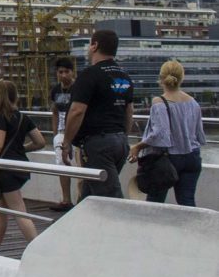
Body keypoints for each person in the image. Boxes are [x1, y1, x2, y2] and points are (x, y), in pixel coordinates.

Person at [62, 29, 133, 199]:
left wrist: (66, 142)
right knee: (89, 197)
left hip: (98, 144)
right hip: (120, 141)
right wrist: (123, 136)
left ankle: (123, 226)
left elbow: (77, 111)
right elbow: (129, 111)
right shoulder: (124, 75)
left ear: (95, 46)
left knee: (111, 198)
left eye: (89, 44)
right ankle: (80, 224)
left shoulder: (89, 75)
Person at [0, 80, 46, 255]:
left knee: (19, 211)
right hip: (19, 166)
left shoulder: (0, 117)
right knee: (0, 210)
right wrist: (22, 149)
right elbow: (40, 142)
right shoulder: (22, 117)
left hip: (6, 169)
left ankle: (38, 251)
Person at [127, 60, 205, 206]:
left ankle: (155, 229)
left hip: (167, 159)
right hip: (192, 157)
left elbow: (159, 134)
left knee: (155, 202)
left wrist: (138, 146)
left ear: (161, 78)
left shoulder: (159, 102)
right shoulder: (193, 103)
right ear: (182, 77)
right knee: (187, 202)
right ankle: (189, 228)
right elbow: (200, 135)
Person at [48, 57, 77, 211]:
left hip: (77, 131)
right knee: (62, 164)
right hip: (61, 131)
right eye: (61, 72)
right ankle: (66, 199)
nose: (64, 75)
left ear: (72, 72)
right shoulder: (56, 90)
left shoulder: (78, 88)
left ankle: (81, 197)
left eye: (67, 71)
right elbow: (54, 111)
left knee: (78, 164)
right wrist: (54, 133)